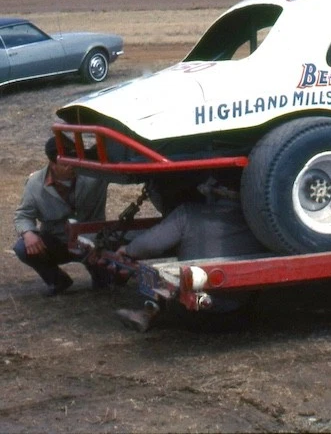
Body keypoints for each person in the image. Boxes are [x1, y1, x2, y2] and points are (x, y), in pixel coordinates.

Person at [113, 179, 268, 331]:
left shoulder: (188, 214)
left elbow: (148, 245)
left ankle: (148, 311)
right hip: (240, 313)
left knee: (160, 257)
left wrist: (128, 249)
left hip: (192, 313)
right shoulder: (260, 222)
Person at [13, 134, 109, 296]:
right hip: (58, 242)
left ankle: (102, 277)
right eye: (65, 163)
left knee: (109, 286)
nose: (72, 166)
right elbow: (23, 215)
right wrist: (28, 233)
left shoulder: (95, 174)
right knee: (22, 247)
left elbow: (115, 160)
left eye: (74, 161)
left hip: (93, 243)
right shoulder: (35, 184)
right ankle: (57, 280)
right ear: (52, 164)